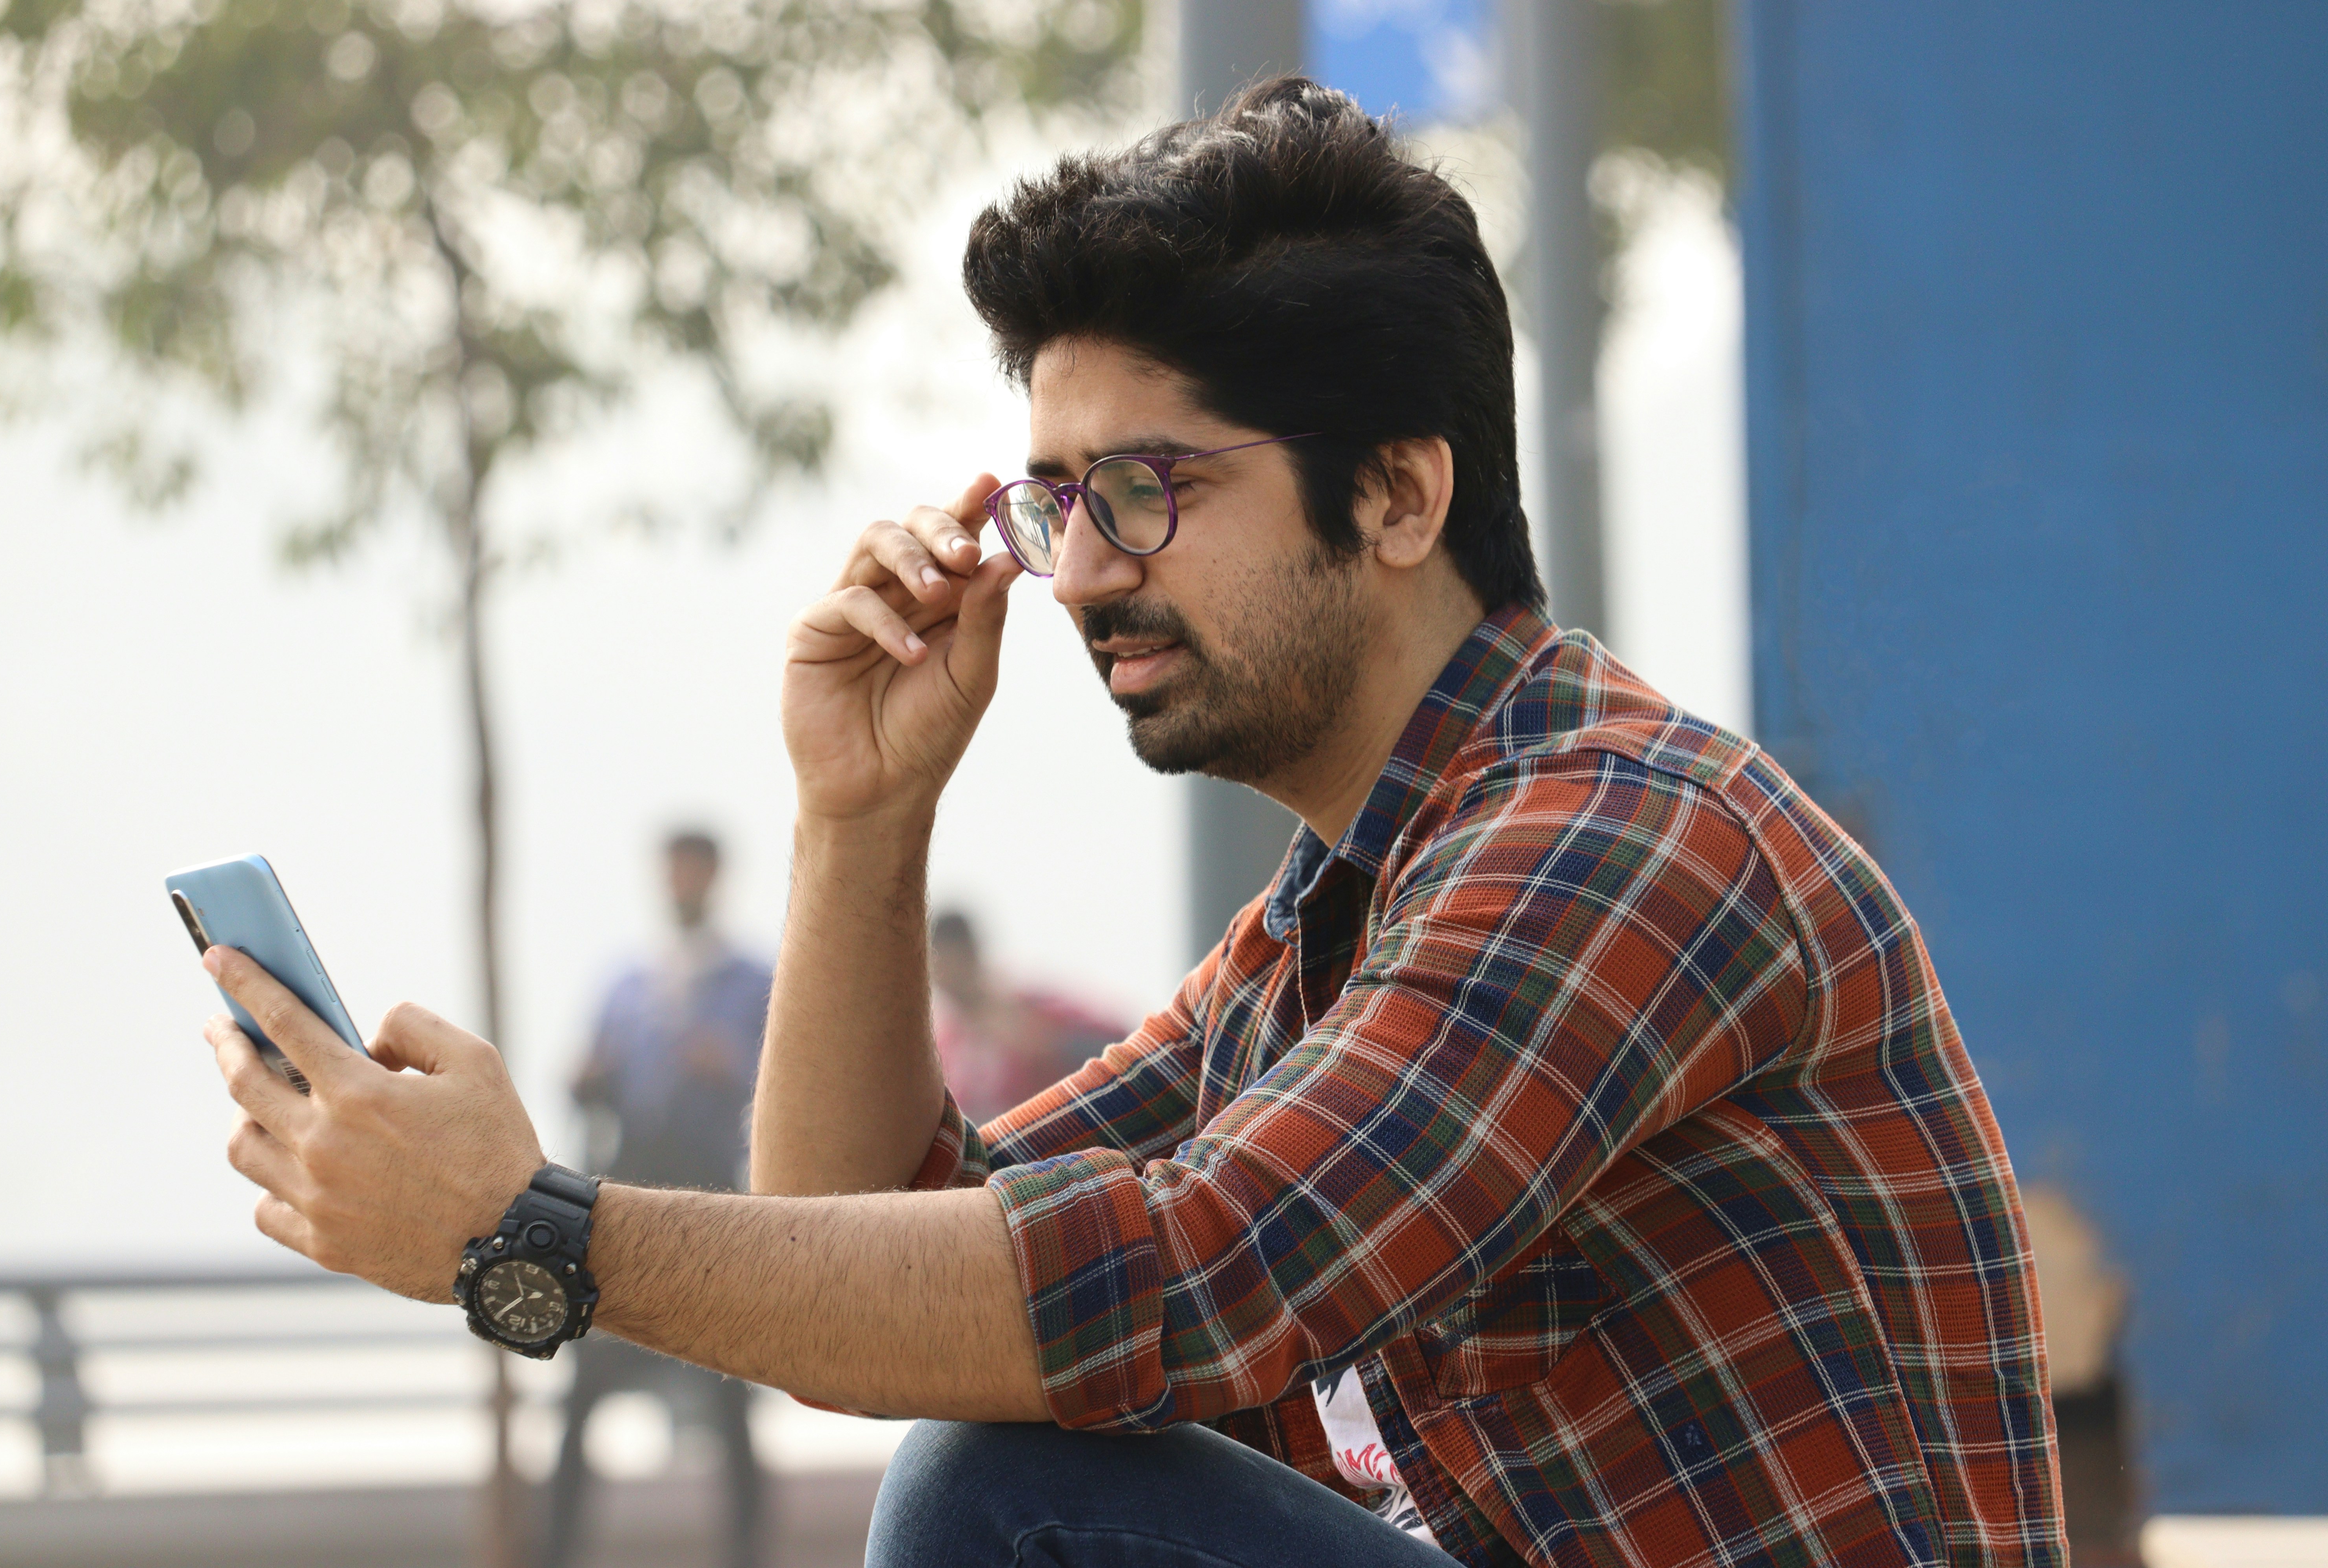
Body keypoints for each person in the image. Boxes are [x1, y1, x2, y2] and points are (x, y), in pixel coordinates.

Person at [198, 80, 2066, 1568]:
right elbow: (869, 1266)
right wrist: (861, 815)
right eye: (1053, 496)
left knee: (1002, 1501)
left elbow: (1189, 1266)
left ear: (1399, 491)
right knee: (984, 1446)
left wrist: (524, 1229)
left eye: (1151, 488)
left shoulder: (1624, 838)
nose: (1081, 569)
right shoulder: (1318, 943)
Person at [548, 829, 772, 1568]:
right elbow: (588, 1083)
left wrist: (726, 1066)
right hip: (624, 1202)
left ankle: (747, 1552)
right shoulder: (629, 982)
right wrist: (587, 1078)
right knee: (583, 1395)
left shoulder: (751, 981)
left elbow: (783, 1090)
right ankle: (556, 1549)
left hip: (709, 1201)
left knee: (731, 1397)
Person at [928, 909, 1128, 1121]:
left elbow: (1122, 1046)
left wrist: (1048, 1041)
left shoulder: (1037, 1008)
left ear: (971, 954)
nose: (947, 974)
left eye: (953, 960)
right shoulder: (944, 1047)